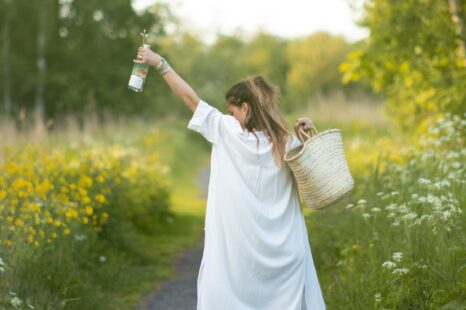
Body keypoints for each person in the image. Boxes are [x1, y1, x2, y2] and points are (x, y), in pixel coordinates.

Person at [134, 46, 326, 310]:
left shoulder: (228, 133)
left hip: (240, 259)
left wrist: (160, 64)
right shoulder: (286, 142)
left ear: (245, 109)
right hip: (286, 256)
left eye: (233, 112)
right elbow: (316, 177)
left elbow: (190, 100)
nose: (230, 117)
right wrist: (304, 137)